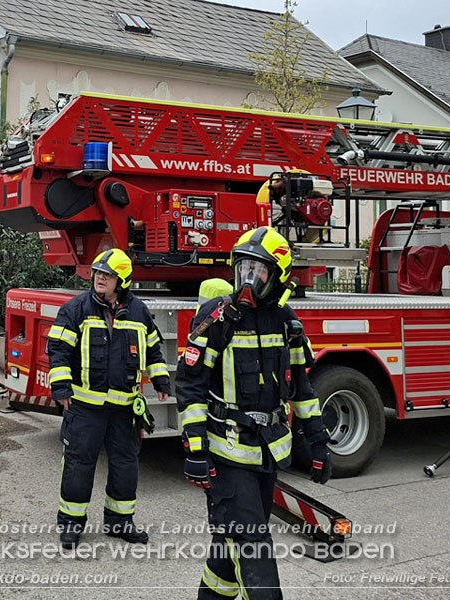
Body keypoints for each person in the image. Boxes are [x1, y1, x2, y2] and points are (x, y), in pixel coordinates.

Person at [176, 226, 331, 600]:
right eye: (244, 268)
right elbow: (190, 387)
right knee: (253, 548)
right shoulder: (218, 317)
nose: (249, 278)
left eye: (259, 270)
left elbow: (302, 389)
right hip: (226, 455)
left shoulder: (287, 322)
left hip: (267, 454)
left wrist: (318, 444)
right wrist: (195, 450)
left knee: (229, 547)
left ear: (278, 277)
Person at [47, 248, 170, 549]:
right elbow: (59, 351)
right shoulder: (75, 309)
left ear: (122, 281)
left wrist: (161, 379)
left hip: (124, 409)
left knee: (126, 465)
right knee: (78, 464)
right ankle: (71, 524)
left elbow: (153, 349)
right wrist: (61, 388)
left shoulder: (139, 312)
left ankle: (120, 521)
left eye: (108, 275)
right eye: (98, 273)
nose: (100, 278)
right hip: (85, 407)